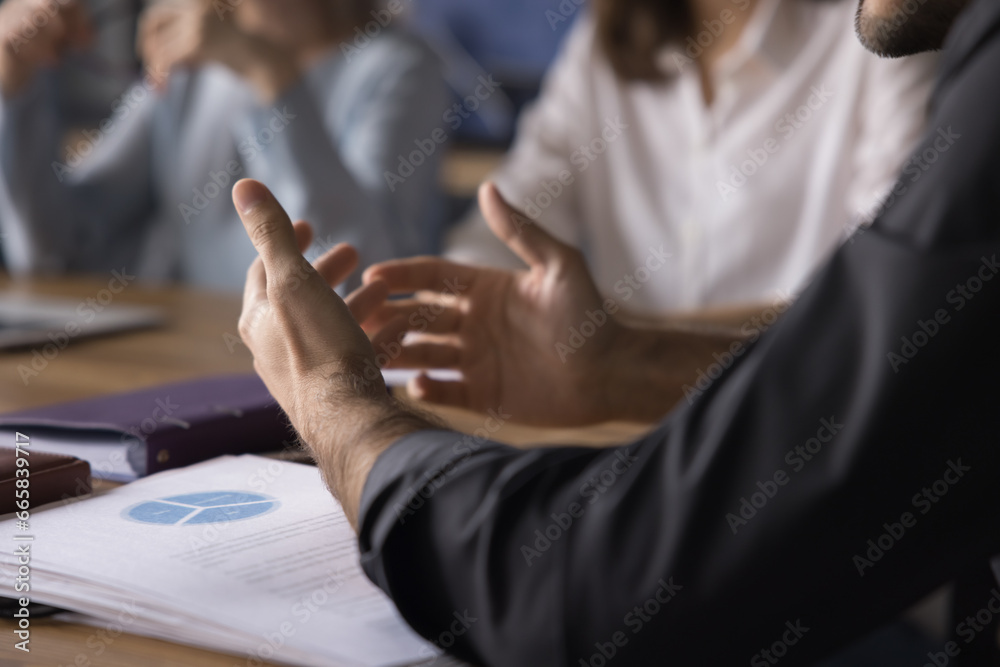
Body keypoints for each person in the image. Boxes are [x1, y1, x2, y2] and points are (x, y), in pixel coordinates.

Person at [228, 0, 1000, 662]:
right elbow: (510, 217)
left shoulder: (896, 37)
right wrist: (621, 358)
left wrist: (344, 415)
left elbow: (580, 599)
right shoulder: (612, 39)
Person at [446, 0, 939, 317]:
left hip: (800, 426)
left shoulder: (881, 31)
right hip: (621, 432)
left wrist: (630, 345)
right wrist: (457, 301)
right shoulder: (607, 40)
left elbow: (881, 297)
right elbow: (517, 209)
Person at [0, 0, 447, 290]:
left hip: (319, 382)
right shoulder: (194, 65)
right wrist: (15, 90)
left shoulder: (400, 68)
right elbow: (59, 251)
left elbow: (353, 281)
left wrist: (270, 74)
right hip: (186, 365)